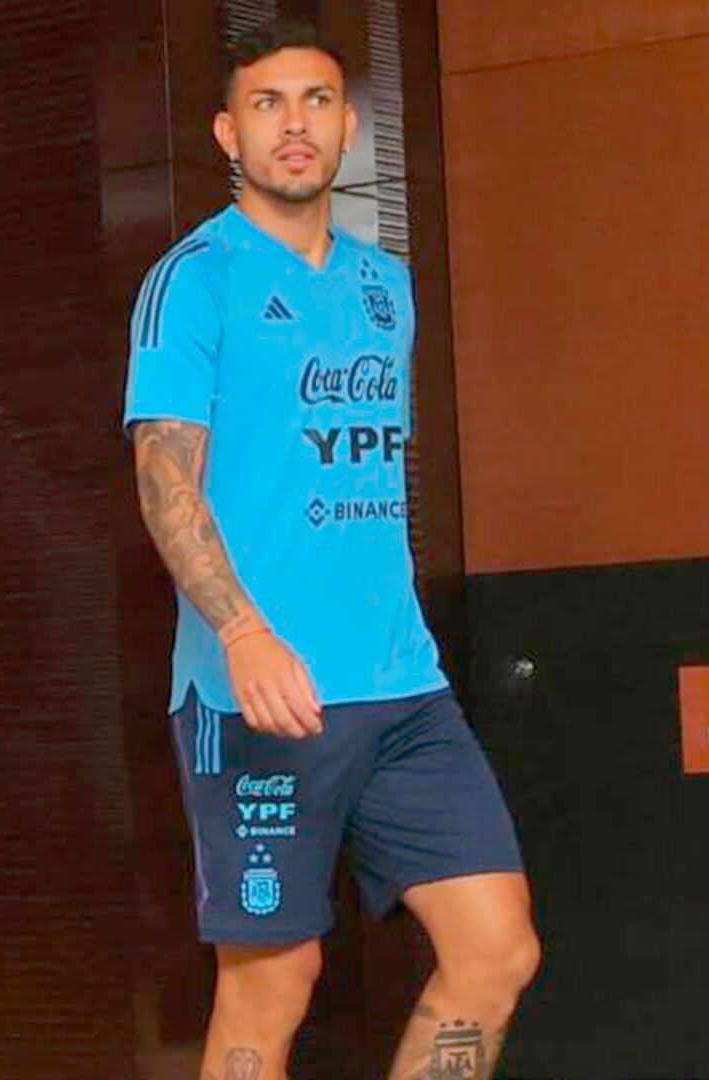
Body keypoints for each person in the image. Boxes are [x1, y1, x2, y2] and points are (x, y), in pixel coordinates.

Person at [122, 21, 540, 1080]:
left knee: (496, 952)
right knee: (273, 981)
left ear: (348, 126)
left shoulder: (384, 287)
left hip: (401, 688)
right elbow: (165, 481)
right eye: (267, 104)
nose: (295, 124)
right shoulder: (194, 280)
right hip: (255, 695)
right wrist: (244, 634)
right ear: (228, 134)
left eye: (315, 101)